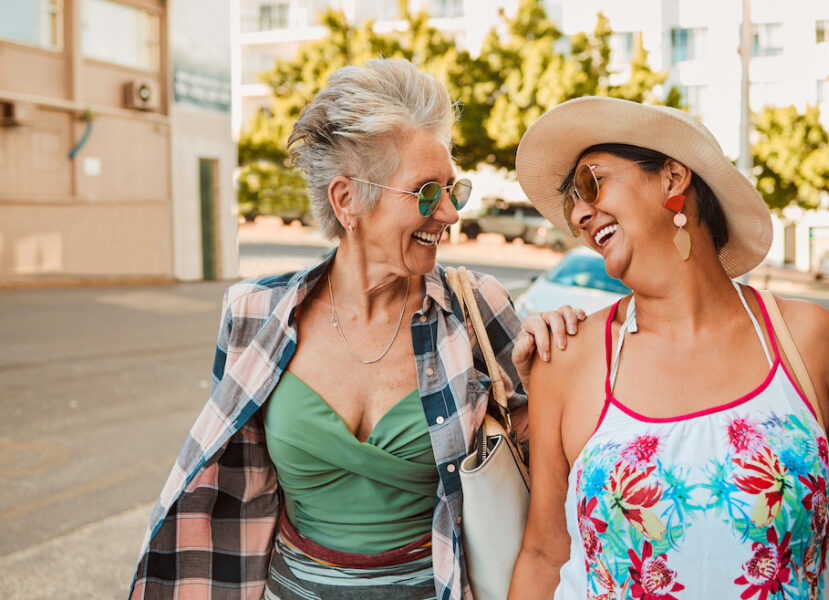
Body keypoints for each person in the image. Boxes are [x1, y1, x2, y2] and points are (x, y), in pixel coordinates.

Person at [129, 58, 580, 600]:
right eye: (426, 193)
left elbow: (550, 463)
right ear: (347, 200)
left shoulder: (476, 306)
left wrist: (558, 372)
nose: (450, 216)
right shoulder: (252, 314)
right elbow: (233, 484)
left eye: (452, 191)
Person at [508, 97, 829, 599]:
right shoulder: (566, 358)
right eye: (572, 205)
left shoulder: (807, 339)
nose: (581, 214)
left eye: (591, 182)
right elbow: (544, 554)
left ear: (673, 178)